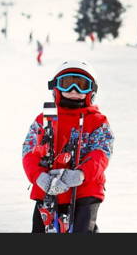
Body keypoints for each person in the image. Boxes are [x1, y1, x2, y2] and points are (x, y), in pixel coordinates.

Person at [22, 60, 114, 233]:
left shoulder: (97, 121)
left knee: (82, 229)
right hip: (47, 188)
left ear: (91, 91)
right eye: (67, 84)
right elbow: (29, 150)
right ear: (56, 88)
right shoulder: (44, 119)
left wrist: (81, 174)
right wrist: (39, 176)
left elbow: (101, 152)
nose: (73, 91)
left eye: (81, 85)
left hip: (85, 189)